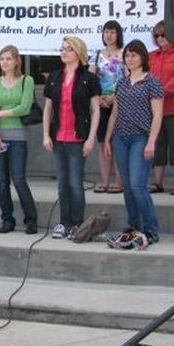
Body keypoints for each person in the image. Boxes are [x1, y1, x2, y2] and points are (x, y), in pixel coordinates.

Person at [103, 40, 163, 245]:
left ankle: (151, 228)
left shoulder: (152, 81)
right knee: (127, 186)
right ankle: (134, 225)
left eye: (134, 55)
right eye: (127, 55)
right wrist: (108, 139)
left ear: (143, 58)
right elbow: (114, 114)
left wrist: (151, 142)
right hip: (121, 137)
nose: (130, 59)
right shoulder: (121, 82)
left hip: (141, 137)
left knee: (138, 185)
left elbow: (157, 115)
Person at [43, 37, 101, 239]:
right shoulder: (54, 77)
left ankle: (77, 222)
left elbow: (95, 110)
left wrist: (91, 137)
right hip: (58, 137)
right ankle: (63, 222)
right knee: (62, 182)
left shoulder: (89, 78)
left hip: (78, 137)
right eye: (62, 48)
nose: (64, 52)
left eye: (68, 49)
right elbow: (48, 108)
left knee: (76, 182)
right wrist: (45, 134)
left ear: (78, 52)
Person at [0, 45, 38, 235]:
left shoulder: (27, 80)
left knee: (18, 179)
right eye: (2, 59)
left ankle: (31, 220)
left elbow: (24, 108)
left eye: (8, 58)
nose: (5, 62)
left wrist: (0, 113)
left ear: (17, 60)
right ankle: (7, 219)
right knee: (1, 181)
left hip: (17, 136)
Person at [148, 20, 174, 195]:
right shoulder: (151, 56)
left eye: (163, 35)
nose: (160, 38)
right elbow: (146, 77)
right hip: (154, 109)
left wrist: (162, 92)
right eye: (156, 36)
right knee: (158, 145)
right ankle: (157, 182)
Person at [89, 20, 124, 194]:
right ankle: (104, 181)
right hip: (101, 102)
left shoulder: (125, 54)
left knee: (117, 142)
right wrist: (99, 97)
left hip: (121, 102)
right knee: (103, 142)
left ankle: (119, 182)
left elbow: (127, 78)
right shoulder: (96, 55)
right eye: (106, 32)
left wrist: (115, 97)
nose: (109, 35)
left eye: (112, 32)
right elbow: (90, 79)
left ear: (118, 34)